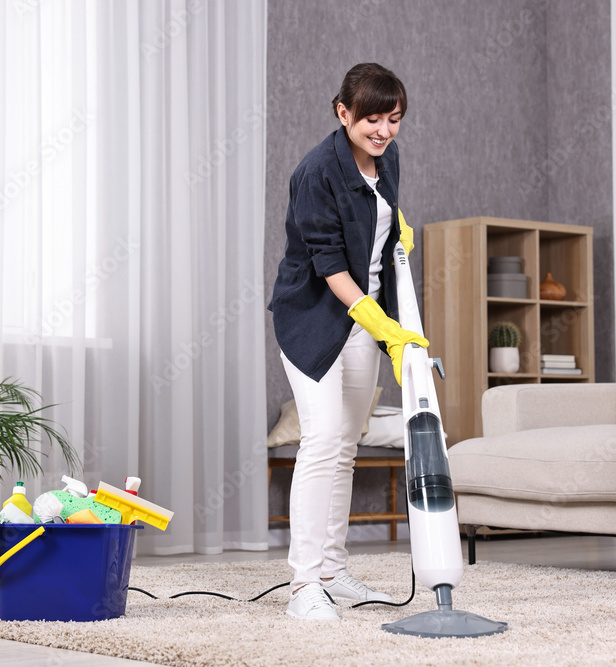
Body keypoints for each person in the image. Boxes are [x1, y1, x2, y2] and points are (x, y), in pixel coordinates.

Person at [268, 63, 428, 621]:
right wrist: (383, 327)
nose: (383, 130)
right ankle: (303, 586)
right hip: (313, 316)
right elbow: (329, 264)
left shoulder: (389, 159)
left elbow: (379, 221)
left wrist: (397, 226)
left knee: (346, 444)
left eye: (394, 119)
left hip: (365, 316)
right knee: (321, 439)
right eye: (371, 119)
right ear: (343, 113)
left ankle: (333, 572)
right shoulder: (315, 172)